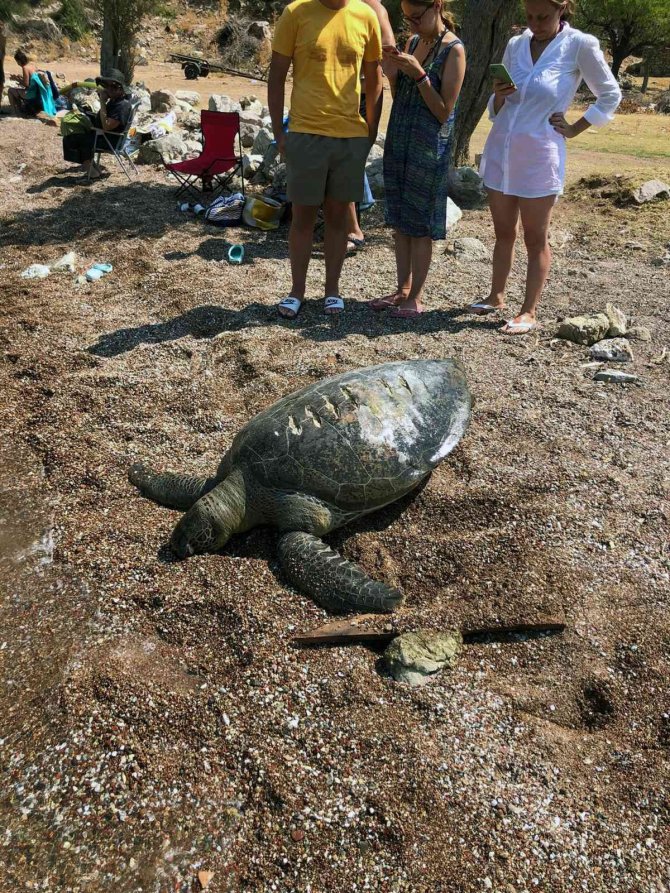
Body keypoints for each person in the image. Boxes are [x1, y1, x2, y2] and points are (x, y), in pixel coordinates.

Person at [469, 0, 621, 334]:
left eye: (543, 17)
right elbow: (499, 109)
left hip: (539, 156)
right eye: (529, 16)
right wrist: (498, 94)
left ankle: (529, 311)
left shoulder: (580, 44)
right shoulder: (515, 44)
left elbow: (610, 94)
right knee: (503, 233)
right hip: (501, 151)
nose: (534, 24)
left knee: (535, 237)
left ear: (562, 9)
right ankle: (496, 296)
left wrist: (576, 127)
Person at [268, 0, 383, 318]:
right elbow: (276, 76)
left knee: (337, 221)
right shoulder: (296, 13)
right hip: (305, 133)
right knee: (302, 220)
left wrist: (370, 133)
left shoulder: (365, 16)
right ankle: (297, 292)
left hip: (349, 138)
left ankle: (332, 291)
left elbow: (374, 78)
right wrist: (280, 133)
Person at [372, 0, 465, 319]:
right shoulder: (413, 42)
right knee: (400, 222)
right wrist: (395, 75)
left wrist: (420, 74)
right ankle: (401, 289)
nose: (410, 24)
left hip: (429, 147)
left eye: (416, 17)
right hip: (401, 137)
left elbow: (442, 111)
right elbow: (404, 98)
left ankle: (416, 296)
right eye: (406, 17)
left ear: (437, 6)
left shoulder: (454, 50)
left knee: (421, 225)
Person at [345, 0, 395, 253]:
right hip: (337, 98)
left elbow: (389, 49)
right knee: (342, 161)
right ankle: (347, 223)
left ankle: (353, 228)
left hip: (364, 97)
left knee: (349, 161)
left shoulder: (374, 8)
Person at [62, 69, 132, 180]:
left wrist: (102, 102)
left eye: (113, 87)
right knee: (78, 133)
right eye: (107, 86)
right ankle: (94, 169)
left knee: (71, 140)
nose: (109, 90)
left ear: (121, 89)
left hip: (109, 140)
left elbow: (107, 126)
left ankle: (91, 171)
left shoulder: (122, 106)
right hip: (106, 136)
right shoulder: (116, 101)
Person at [7, 50, 54, 117]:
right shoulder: (32, 66)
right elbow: (32, 79)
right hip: (37, 91)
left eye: (17, 61)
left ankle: (14, 112)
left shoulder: (25, 68)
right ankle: (20, 110)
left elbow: (26, 84)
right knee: (16, 91)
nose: (17, 63)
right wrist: (20, 78)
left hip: (30, 93)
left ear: (19, 61)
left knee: (11, 91)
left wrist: (16, 79)